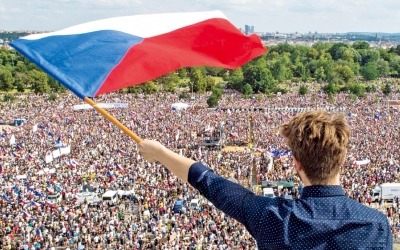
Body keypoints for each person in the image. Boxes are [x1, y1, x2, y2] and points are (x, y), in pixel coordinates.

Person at [139, 110, 392, 249]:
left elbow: (209, 182)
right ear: (342, 158)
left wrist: (160, 153)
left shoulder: (273, 218)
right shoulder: (375, 226)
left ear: (296, 163)